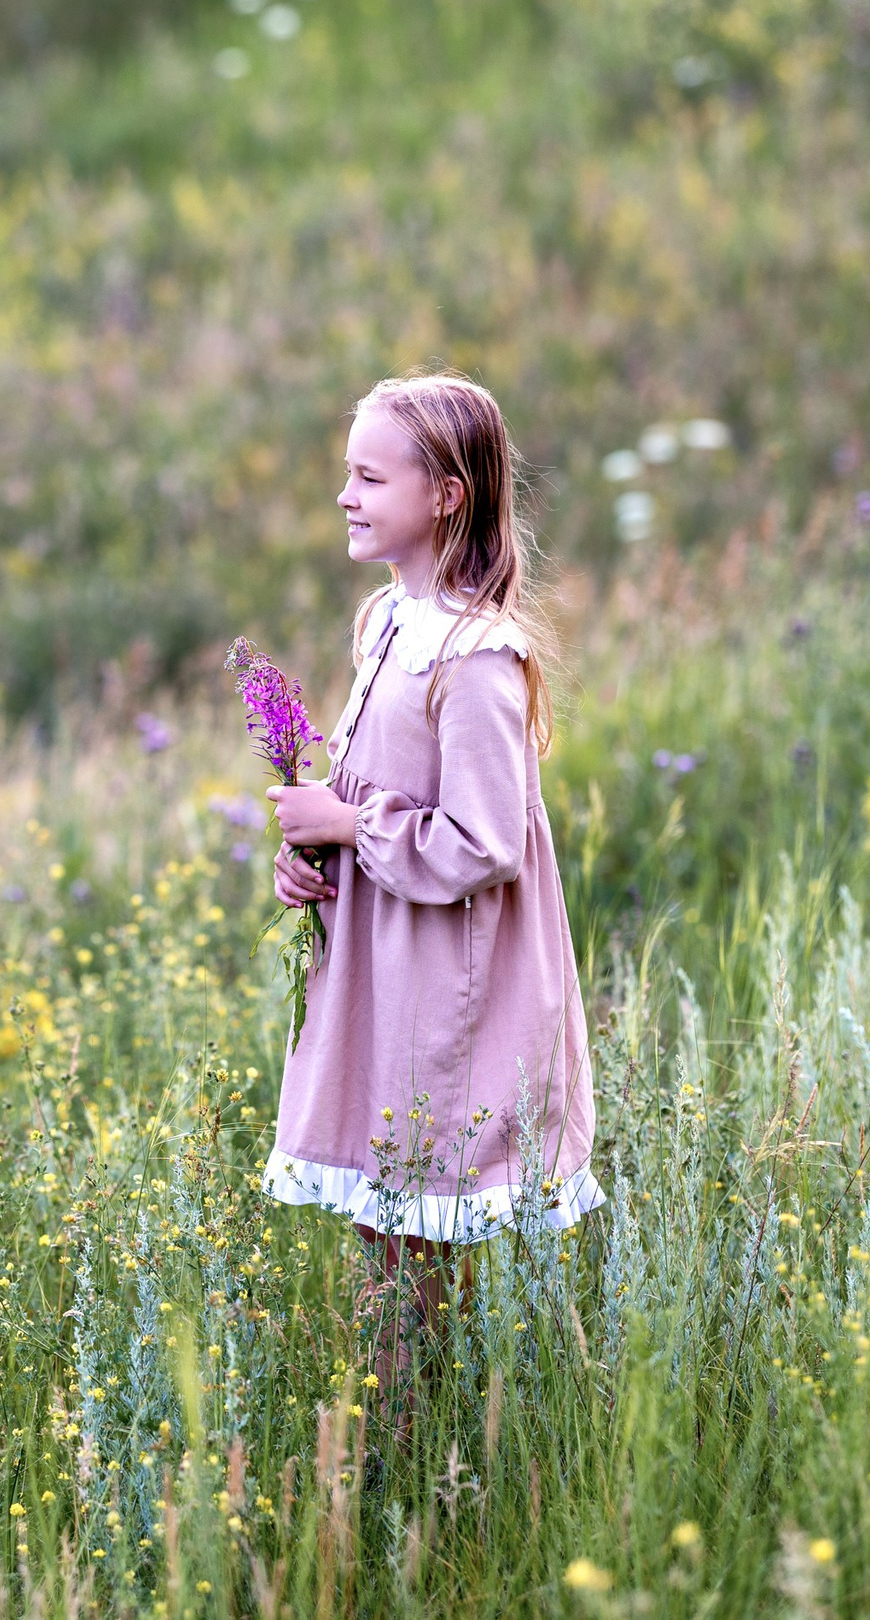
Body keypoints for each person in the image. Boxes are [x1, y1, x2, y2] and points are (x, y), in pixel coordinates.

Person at [261, 371, 602, 1426]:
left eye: (370, 476)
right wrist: (314, 853)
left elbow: (486, 843)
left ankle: (449, 1446)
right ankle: (398, 1436)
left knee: (425, 1228)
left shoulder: (478, 660)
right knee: (386, 1227)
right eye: (346, 475)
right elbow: (375, 792)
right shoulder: (383, 625)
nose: (346, 496)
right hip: (380, 967)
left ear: (445, 495)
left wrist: (350, 827)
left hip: (446, 987)